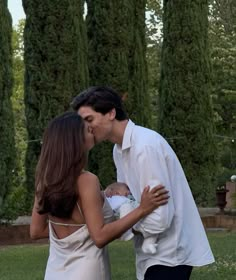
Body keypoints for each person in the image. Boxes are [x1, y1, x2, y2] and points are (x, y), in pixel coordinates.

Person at [72, 86, 215, 280]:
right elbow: (128, 202)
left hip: (170, 254)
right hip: (151, 255)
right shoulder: (118, 150)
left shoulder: (145, 146)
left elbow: (160, 218)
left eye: (89, 119)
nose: (86, 128)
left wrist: (127, 226)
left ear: (111, 113)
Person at [30, 112, 169, 280]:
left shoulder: (45, 180)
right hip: (87, 271)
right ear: (75, 141)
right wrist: (142, 209)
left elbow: (36, 231)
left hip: (55, 271)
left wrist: (79, 230)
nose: (93, 132)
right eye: (88, 130)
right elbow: (100, 236)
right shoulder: (87, 181)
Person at [105, 182, 158, 253]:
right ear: (115, 193)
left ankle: (149, 243)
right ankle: (124, 232)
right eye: (126, 192)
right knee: (126, 207)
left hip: (137, 217)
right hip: (129, 219)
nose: (129, 193)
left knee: (151, 226)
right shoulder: (115, 199)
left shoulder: (125, 199)